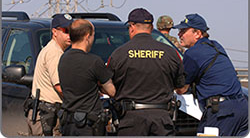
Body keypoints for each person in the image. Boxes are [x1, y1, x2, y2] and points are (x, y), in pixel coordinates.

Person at [107, 8, 186, 136]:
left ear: (132, 27)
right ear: (151, 27)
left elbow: (107, 85)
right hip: (162, 121)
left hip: (131, 121)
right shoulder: (171, 53)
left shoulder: (119, 54)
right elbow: (181, 87)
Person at [173, 13, 248, 136]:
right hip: (242, 109)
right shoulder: (216, 46)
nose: (179, 34)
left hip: (221, 112)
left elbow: (181, 89)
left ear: (197, 33)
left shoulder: (192, 53)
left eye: (183, 31)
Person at [58, 19, 116, 136]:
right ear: (87, 36)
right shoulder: (94, 61)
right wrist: (100, 86)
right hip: (88, 125)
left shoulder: (63, 58)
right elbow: (112, 91)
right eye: (93, 35)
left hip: (68, 123)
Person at [26, 13, 73, 136]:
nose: (70, 35)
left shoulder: (54, 50)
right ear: (54, 32)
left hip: (46, 114)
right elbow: (59, 87)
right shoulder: (54, 53)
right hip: (47, 116)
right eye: (65, 31)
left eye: (71, 31)